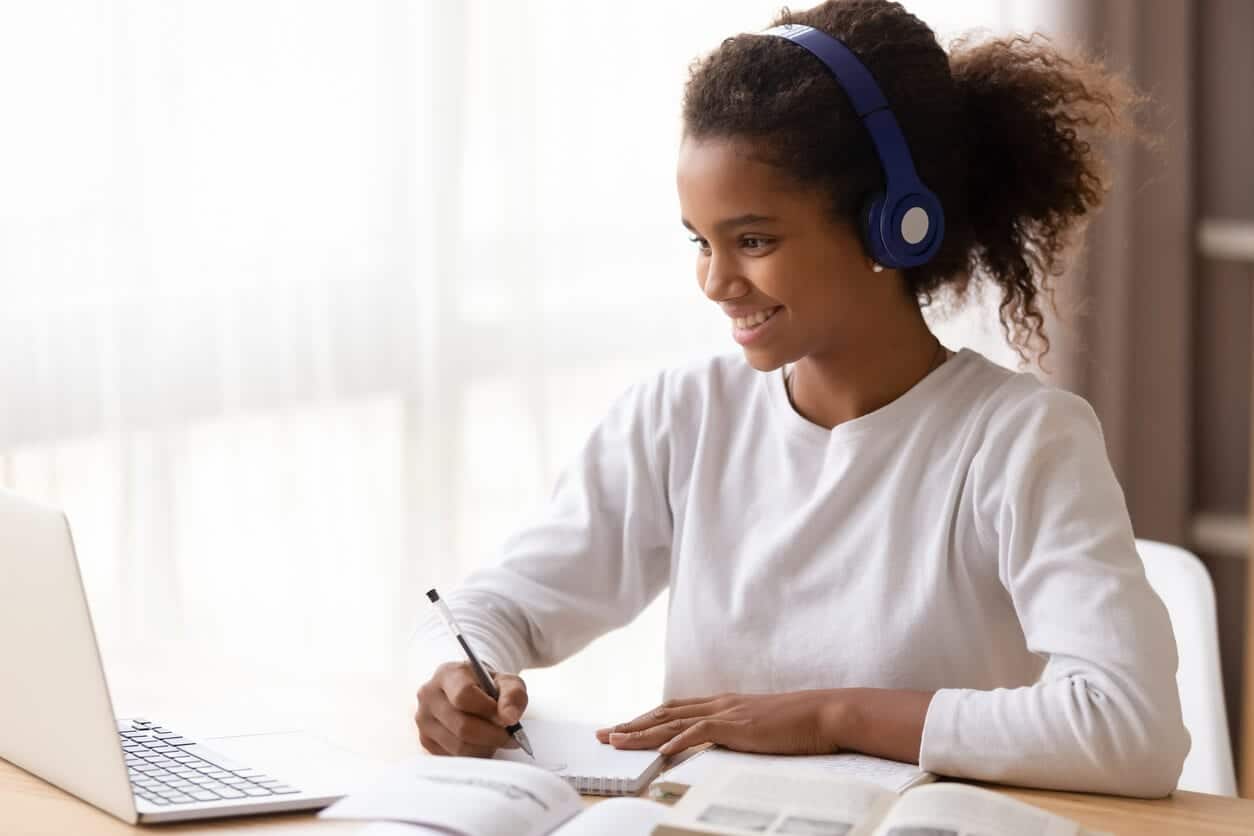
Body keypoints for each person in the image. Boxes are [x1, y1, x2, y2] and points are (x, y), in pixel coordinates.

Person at [412, 0, 1189, 799]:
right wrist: (456, 669)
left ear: (895, 227)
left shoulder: (1021, 441)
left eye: (754, 241)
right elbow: (495, 603)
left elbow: (1132, 730)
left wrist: (830, 717)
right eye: (699, 241)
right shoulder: (682, 419)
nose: (716, 282)